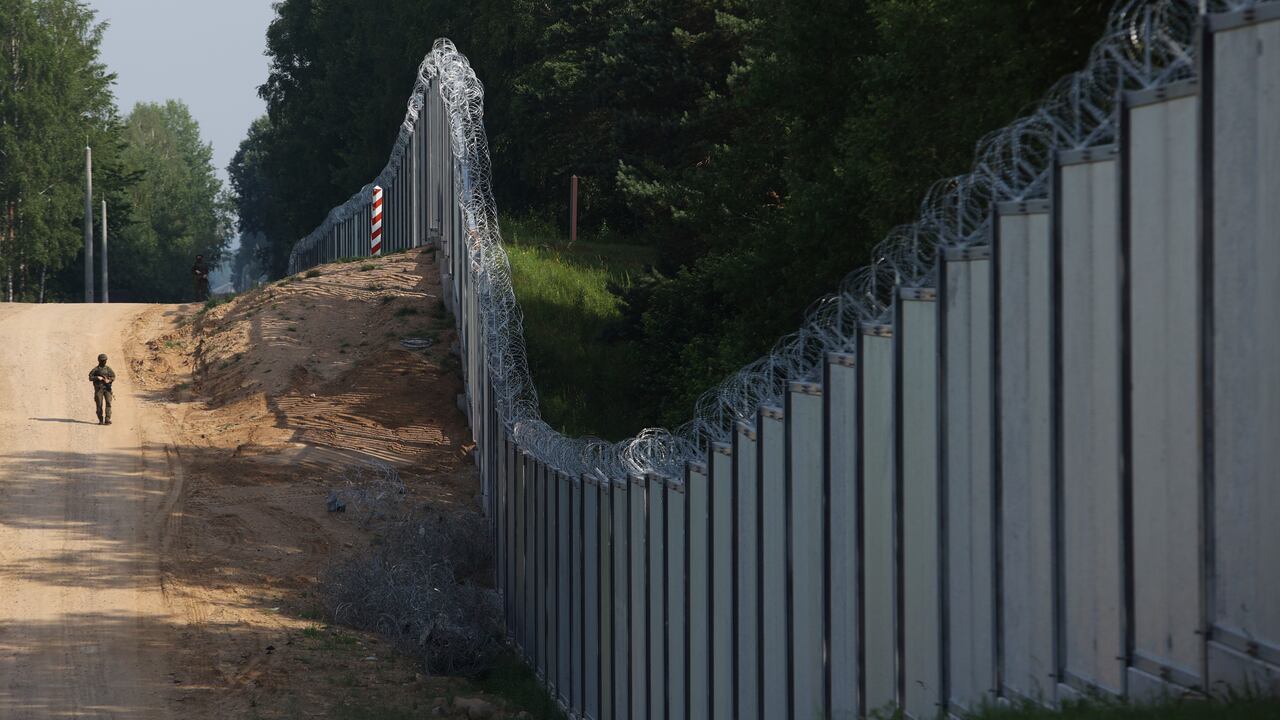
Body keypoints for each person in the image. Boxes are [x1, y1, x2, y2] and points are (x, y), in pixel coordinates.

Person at [88, 353, 115, 425]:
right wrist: (97, 377)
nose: (104, 361)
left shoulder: (108, 369)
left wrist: (109, 380)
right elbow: (90, 377)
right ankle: (100, 419)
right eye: (102, 360)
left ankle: (107, 419)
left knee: (108, 403)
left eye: (105, 360)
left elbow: (113, 376)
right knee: (99, 404)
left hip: (107, 389)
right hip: (99, 389)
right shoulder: (95, 369)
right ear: (99, 360)